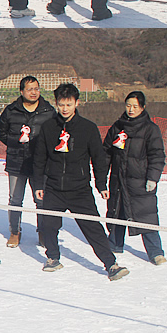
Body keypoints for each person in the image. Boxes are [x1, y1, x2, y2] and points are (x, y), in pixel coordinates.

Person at [32, 85, 126, 280]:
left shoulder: (87, 128)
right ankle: (53, 258)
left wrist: (102, 184)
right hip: (54, 187)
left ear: (77, 103)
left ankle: (111, 263)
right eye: (61, 104)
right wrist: (39, 184)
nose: (65, 108)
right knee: (48, 224)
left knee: (93, 227)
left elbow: (98, 158)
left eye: (69, 104)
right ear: (56, 104)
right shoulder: (49, 128)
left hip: (79, 189)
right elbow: (39, 157)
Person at [104, 93, 166, 264]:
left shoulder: (150, 129)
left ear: (143, 107)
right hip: (118, 180)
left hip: (140, 182)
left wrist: (152, 178)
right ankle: (114, 245)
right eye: (128, 105)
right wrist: (102, 176)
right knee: (117, 212)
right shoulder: (117, 127)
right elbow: (106, 153)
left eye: (135, 106)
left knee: (146, 216)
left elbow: (157, 156)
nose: (131, 110)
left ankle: (155, 252)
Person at [0, 76, 55, 247]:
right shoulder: (11, 110)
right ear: (22, 91)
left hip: (41, 164)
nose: (34, 92)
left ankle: (43, 233)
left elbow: (55, 133)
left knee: (42, 200)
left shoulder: (48, 111)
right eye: (29, 89)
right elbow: (2, 132)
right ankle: (15, 231)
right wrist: (16, 143)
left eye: (36, 88)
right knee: (15, 199)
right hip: (16, 162)